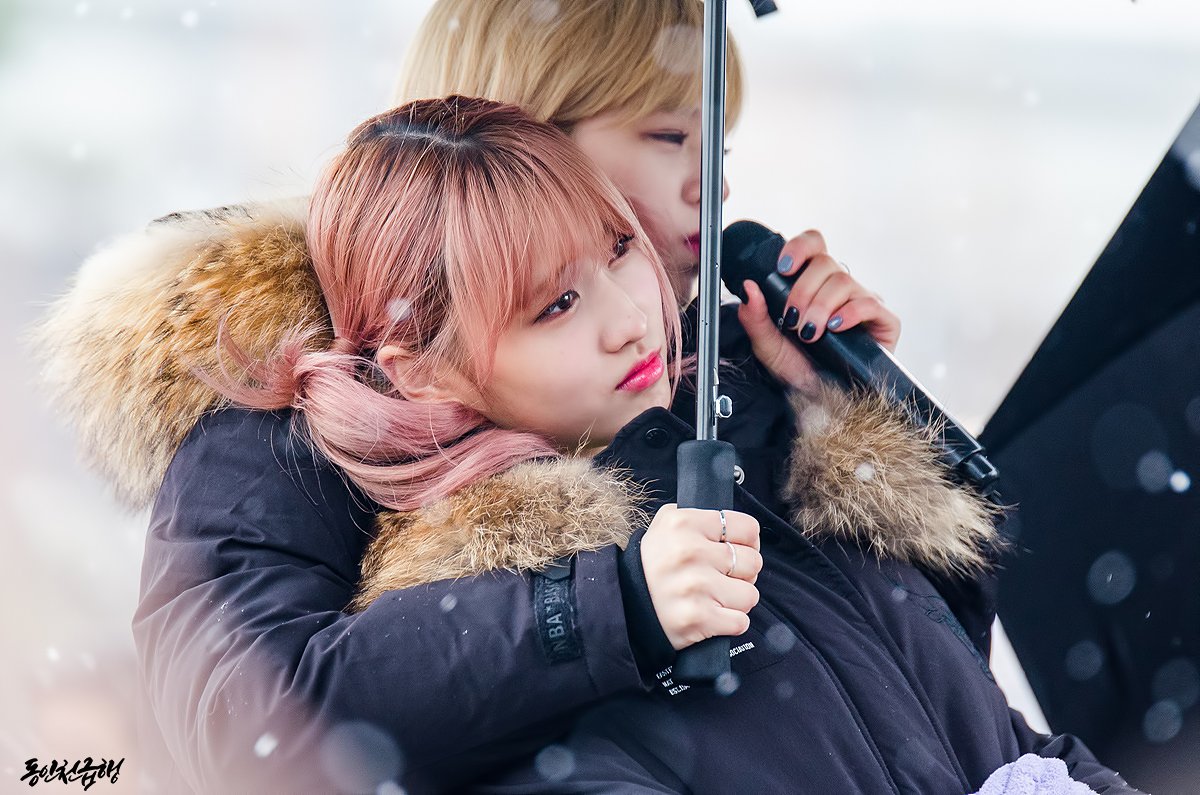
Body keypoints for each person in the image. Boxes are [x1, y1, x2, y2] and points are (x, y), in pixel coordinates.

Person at [32, 0, 1053, 790]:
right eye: (669, 136)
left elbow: (932, 694)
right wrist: (604, 608)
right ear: (526, 125)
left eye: (720, 144)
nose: (715, 184)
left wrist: (854, 419)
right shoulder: (287, 416)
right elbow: (252, 728)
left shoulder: (697, 371)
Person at [232, 95, 1134, 792]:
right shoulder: (497, 643)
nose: (631, 319)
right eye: (556, 304)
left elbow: (991, 730)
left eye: (619, 250)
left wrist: (846, 411)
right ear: (428, 371)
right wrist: (619, 607)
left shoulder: (749, 460)